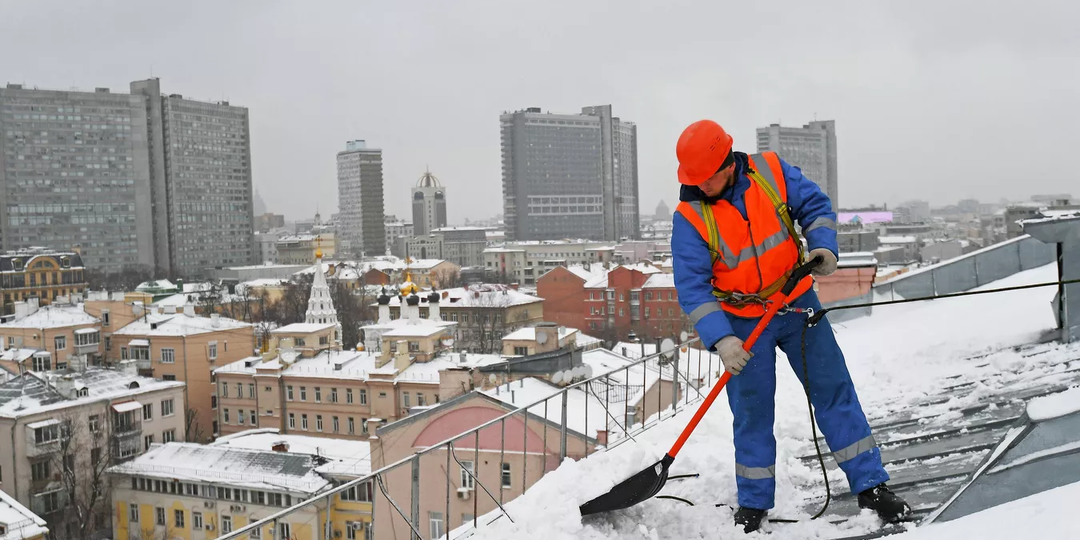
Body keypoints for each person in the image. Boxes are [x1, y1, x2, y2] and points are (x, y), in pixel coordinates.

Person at [670, 120, 911, 533]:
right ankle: (753, 504)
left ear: (728, 163)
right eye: (694, 179)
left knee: (834, 391)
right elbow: (692, 287)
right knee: (752, 414)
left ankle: (871, 486)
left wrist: (822, 247)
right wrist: (723, 339)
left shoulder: (771, 172)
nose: (699, 186)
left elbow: (815, 207)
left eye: (705, 178)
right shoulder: (689, 216)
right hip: (743, 323)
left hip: (797, 304)